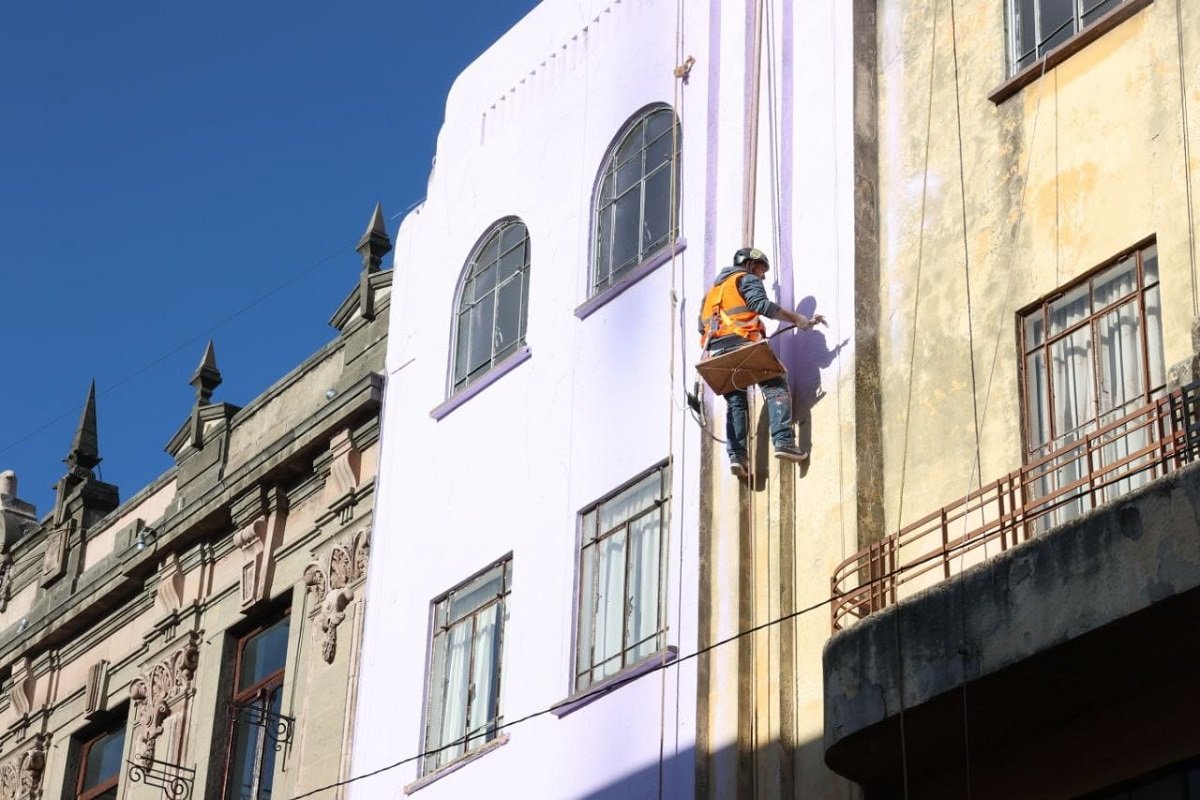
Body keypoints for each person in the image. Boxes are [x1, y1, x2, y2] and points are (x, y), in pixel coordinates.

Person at [698, 247, 824, 478]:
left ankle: (737, 457)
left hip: (716, 356)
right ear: (748, 265)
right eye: (760, 269)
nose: (762, 276)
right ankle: (784, 441)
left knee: (736, 401)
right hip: (743, 345)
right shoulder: (746, 279)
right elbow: (761, 306)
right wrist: (797, 318)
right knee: (775, 386)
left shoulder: (711, 294)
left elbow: (701, 327)